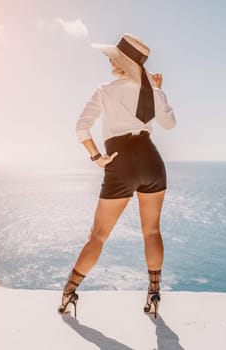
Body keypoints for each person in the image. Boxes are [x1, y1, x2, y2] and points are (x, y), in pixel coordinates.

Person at [58, 33, 176, 318]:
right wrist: (159, 91)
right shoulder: (151, 91)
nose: (110, 60)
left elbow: (81, 128)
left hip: (120, 161)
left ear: (120, 63)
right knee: (152, 231)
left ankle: (68, 294)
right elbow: (169, 124)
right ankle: (154, 293)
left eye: (113, 57)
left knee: (98, 235)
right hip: (150, 159)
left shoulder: (105, 90)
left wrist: (97, 157)